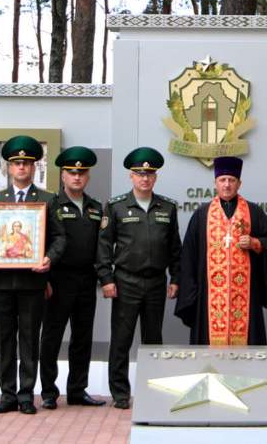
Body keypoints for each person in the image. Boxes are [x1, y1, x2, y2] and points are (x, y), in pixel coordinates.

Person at [0, 135, 66, 415]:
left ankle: (26, 395)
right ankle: (7, 394)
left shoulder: (47, 200)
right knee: (4, 339)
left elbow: (60, 238)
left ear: (35, 167)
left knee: (28, 338)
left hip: (32, 281)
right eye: (17, 164)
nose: (22, 168)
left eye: (27, 163)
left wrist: (50, 258)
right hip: (0, 282)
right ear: (9, 169)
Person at [96, 147, 182, 410]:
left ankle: (153, 389)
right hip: (125, 282)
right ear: (130, 176)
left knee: (153, 339)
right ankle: (120, 393)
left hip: (156, 282)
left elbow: (174, 248)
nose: (145, 178)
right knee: (121, 339)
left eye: (149, 174)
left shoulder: (167, 207)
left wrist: (175, 278)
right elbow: (103, 246)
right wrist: (106, 279)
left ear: (155, 177)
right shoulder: (116, 206)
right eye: (139, 174)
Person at [175, 156, 267, 345]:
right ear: (215, 183)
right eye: (222, 180)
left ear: (240, 183)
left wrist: (256, 243)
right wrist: (190, 293)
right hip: (209, 296)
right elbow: (189, 256)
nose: (227, 185)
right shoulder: (202, 215)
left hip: (245, 294)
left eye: (232, 180)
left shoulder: (253, 212)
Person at [39, 146, 106, 409]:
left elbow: (101, 246)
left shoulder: (95, 207)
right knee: (52, 337)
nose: (77, 177)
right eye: (71, 172)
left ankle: (78, 390)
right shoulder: (51, 205)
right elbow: (42, 242)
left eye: (82, 172)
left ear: (87, 176)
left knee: (82, 337)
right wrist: (43, 280)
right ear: (63, 175)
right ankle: (48, 392)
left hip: (86, 280)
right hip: (57, 279)